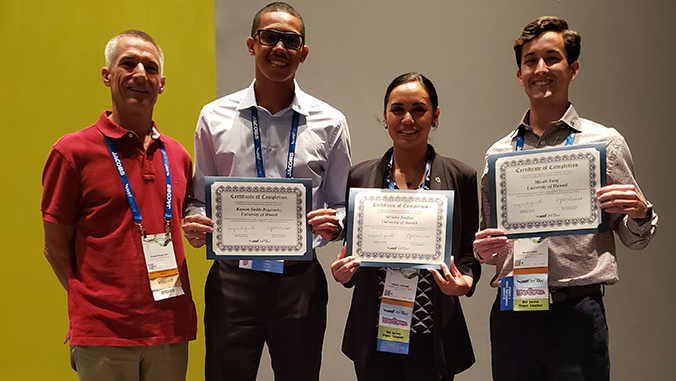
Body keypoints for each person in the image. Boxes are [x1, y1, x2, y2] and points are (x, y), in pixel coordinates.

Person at [473, 16, 658, 380]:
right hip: (513, 313)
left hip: (575, 315)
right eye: (530, 61)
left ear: (573, 69)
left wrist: (640, 211)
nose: (540, 69)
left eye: (552, 58)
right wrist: (484, 251)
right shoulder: (499, 155)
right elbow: (490, 241)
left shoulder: (604, 144)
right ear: (519, 74)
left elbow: (637, 238)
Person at [180, 2, 351, 380]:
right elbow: (198, 199)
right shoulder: (214, 117)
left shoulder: (331, 122)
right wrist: (194, 222)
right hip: (232, 281)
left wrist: (334, 223)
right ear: (251, 44)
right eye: (269, 37)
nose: (279, 47)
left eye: (290, 40)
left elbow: (341, 203)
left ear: (303, 53)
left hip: (299, 281)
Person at [41, 30, 197, 381]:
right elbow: (55, 246)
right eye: (128, 64)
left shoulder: (178, 155)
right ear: (107, 75)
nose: (140, 73)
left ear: (161, 84)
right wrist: (96, 299)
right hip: (103, 333)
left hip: (169, 328)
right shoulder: (72, 153)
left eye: (150, 67)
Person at [331, 73, 480, 381]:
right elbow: (355, 257)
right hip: (375, 334)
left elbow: (467, 252)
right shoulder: (361, 177)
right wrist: (344, 273)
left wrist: (464, 282)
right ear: (385, 116)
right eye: (397, 109)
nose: (407, 119)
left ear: (435, 115)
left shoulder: (461, 176)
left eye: (419, 109)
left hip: (431, 331)